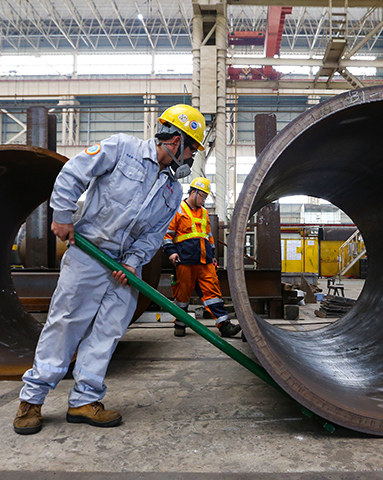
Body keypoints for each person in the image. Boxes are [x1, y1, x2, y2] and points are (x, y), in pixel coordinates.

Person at [13, 104, 206, 435]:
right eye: (192, 149)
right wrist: (62, 215)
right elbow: (74, 172)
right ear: (177, 141)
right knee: (65, 324)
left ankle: (84, 401)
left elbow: (153, 234)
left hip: (123, 269)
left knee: (108, 331)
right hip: (89, 254)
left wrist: (132, 263)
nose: (191, 157)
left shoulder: (172, 190)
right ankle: (32, 399)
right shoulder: (122, 149)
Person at [163, 177, 242, 338]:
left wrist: (212, 256)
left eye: (206, 197)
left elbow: (208, 237)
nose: (204, 200)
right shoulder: (178, 210)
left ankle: (224, 325)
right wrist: (171, 252)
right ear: (193, 192)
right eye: (203, 196)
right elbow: (167, 235)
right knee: (182, 295)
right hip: (185, 260)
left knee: (213, 292)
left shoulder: (204, 213)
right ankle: (180, 325)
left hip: (205, 262)